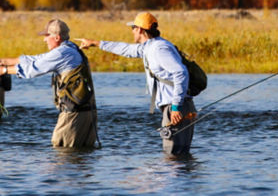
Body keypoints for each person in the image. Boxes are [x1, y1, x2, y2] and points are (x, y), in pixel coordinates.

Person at [79, 12, 196, 158]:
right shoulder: (149, 47)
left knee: (173, 158)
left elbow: (180, 73)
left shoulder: (159, 49)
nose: (132, 31)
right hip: (175, 107)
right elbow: (125, 49)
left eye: (133, 28)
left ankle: (176, 182)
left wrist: (176, 107)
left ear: (140, 30)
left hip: (176, 108)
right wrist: (95, 43)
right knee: (178, 157)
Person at [0, 19, 98, 148]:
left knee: (62, 153)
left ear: (57, 37)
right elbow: (36, 59)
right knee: (81, 159)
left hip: (74, 115)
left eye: (47, 36)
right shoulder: (71, 48)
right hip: (86, 112)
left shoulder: (61, 53)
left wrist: (4, 70)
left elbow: (33, 69)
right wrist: (2, 61)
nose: (44, 40)